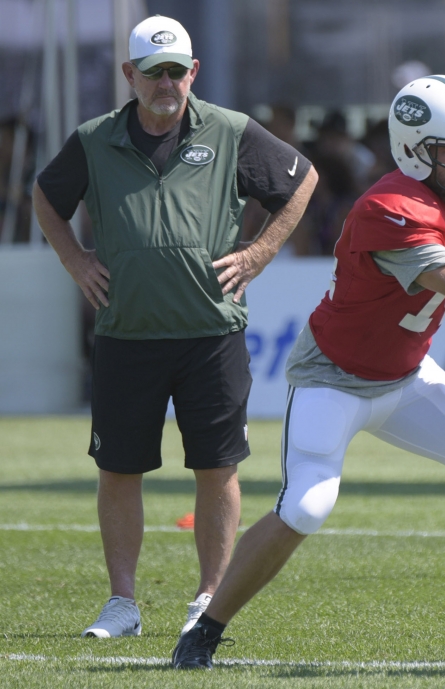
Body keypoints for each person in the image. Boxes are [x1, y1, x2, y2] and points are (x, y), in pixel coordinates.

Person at [171, 75, 445, 669]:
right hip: (334, 379)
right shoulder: (389, 208)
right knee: (306, 507)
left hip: (405, 375)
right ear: (413, 149)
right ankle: (204, 632)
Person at [32, 15, 317, 639]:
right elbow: (46, 197)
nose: (167, 82)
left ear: (194, 72)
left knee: (217, 469)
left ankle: (207, 598)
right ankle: (122, 604)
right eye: (153, 71)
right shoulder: (93, 139)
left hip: (210, 333)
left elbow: (301, 181)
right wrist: (76, 261)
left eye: (177, 70)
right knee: (119, 470)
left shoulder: (231, 130)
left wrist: (259, 253)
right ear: (129, 75)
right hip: (126, 332)